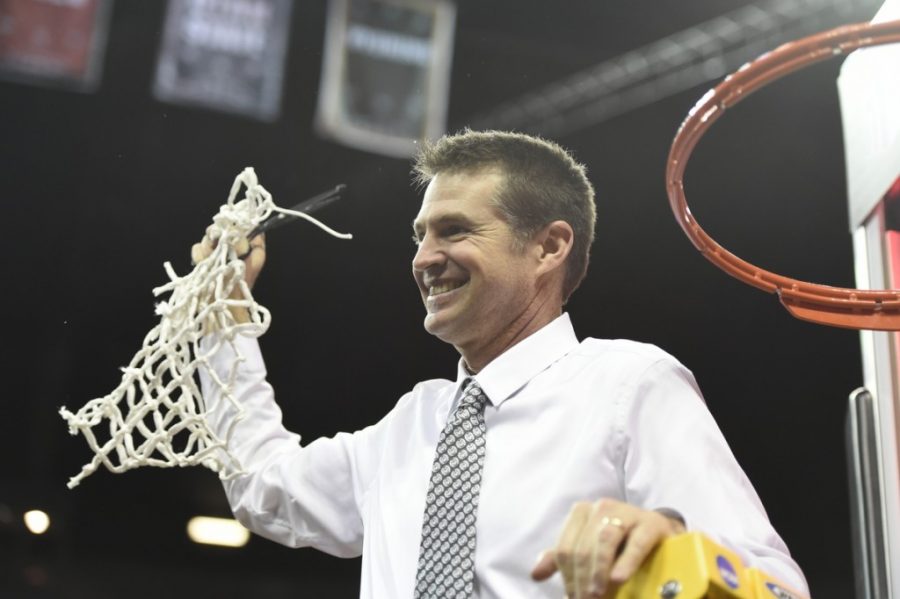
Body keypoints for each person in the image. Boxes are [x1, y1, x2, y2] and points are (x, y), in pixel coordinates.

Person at [193, 129, 808, 598]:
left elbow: (775, 585)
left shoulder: (630, 385)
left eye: (455, 231)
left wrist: (675, 546)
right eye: (420, 236)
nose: (424, 258)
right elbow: (260, 486)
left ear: (548, 246)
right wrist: (223, 321)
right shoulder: (410, 427)